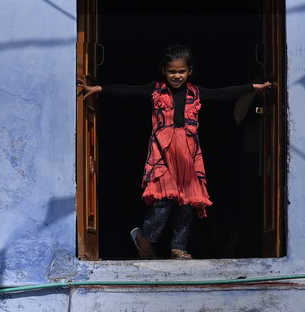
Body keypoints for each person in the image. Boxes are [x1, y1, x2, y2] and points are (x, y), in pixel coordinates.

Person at [79, 44, 274, 259]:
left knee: (186, 205)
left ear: (190, 70)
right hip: (163, 155)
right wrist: (98, 89)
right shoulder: (156, 90)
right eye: (172, 71)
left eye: (181, 71)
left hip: (188, 157)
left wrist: (253, 87)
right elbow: (129, 90)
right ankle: (144, 238)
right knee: (163, 203)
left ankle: (178, 249)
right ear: (164, 70)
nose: (177, 76)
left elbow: (223, 94)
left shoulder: (196, 93)